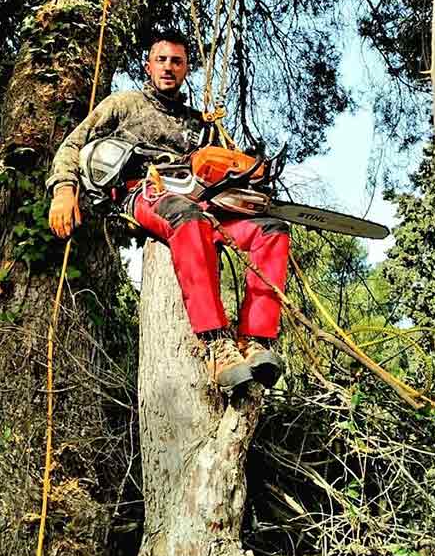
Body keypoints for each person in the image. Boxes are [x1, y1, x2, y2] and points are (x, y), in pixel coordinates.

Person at [47, 29, 290, 391]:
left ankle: (255, 340)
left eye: (176, 61)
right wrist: (64, 188)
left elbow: (220, 169)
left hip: (201, 200)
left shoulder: (198, 123)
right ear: (149, 65)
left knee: (271, 228)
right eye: (161, 59)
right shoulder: (124, 104)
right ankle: (217, 344)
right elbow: (74, 143)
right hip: (144, 193)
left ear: (186, 68)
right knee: (187, 220)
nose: (168, 67)